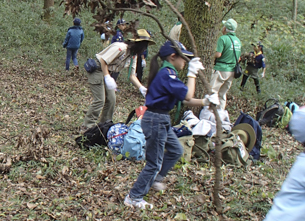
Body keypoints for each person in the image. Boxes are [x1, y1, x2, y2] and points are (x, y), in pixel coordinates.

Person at [124, 40, 219, 209]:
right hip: (155, 120)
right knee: (154, 162)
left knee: (176, 150)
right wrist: (192, 73)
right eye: (184, 58)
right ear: (173, 57)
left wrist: (205, 102)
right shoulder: (167, 74)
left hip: (161, 119)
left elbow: (185, 100)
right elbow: (188, 95)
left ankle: (155, 179)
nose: (185, 61)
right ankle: (134, 196)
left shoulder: (168, 74)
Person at [82, 30, 154, 130]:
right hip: (97, 70)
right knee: (100, 100)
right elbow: (103, 60)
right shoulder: (121, 48)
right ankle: (87, 126)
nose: (144, 49)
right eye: (144, 46)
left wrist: (141, 88)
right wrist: (107, 76)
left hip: (108, 73)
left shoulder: (133, 55)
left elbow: (132, 75)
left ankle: (104, 125)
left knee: (111, 99)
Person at [209, 18, 241, 110]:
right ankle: (220, 115)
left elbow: (218, 54)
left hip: (221, 69)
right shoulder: (238, 41)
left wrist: (211, 54)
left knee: (213, 92)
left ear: (225, 29)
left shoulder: (223, 39)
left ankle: (210, 113)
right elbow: (238, 58)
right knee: (222, 94)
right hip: (232, 71)